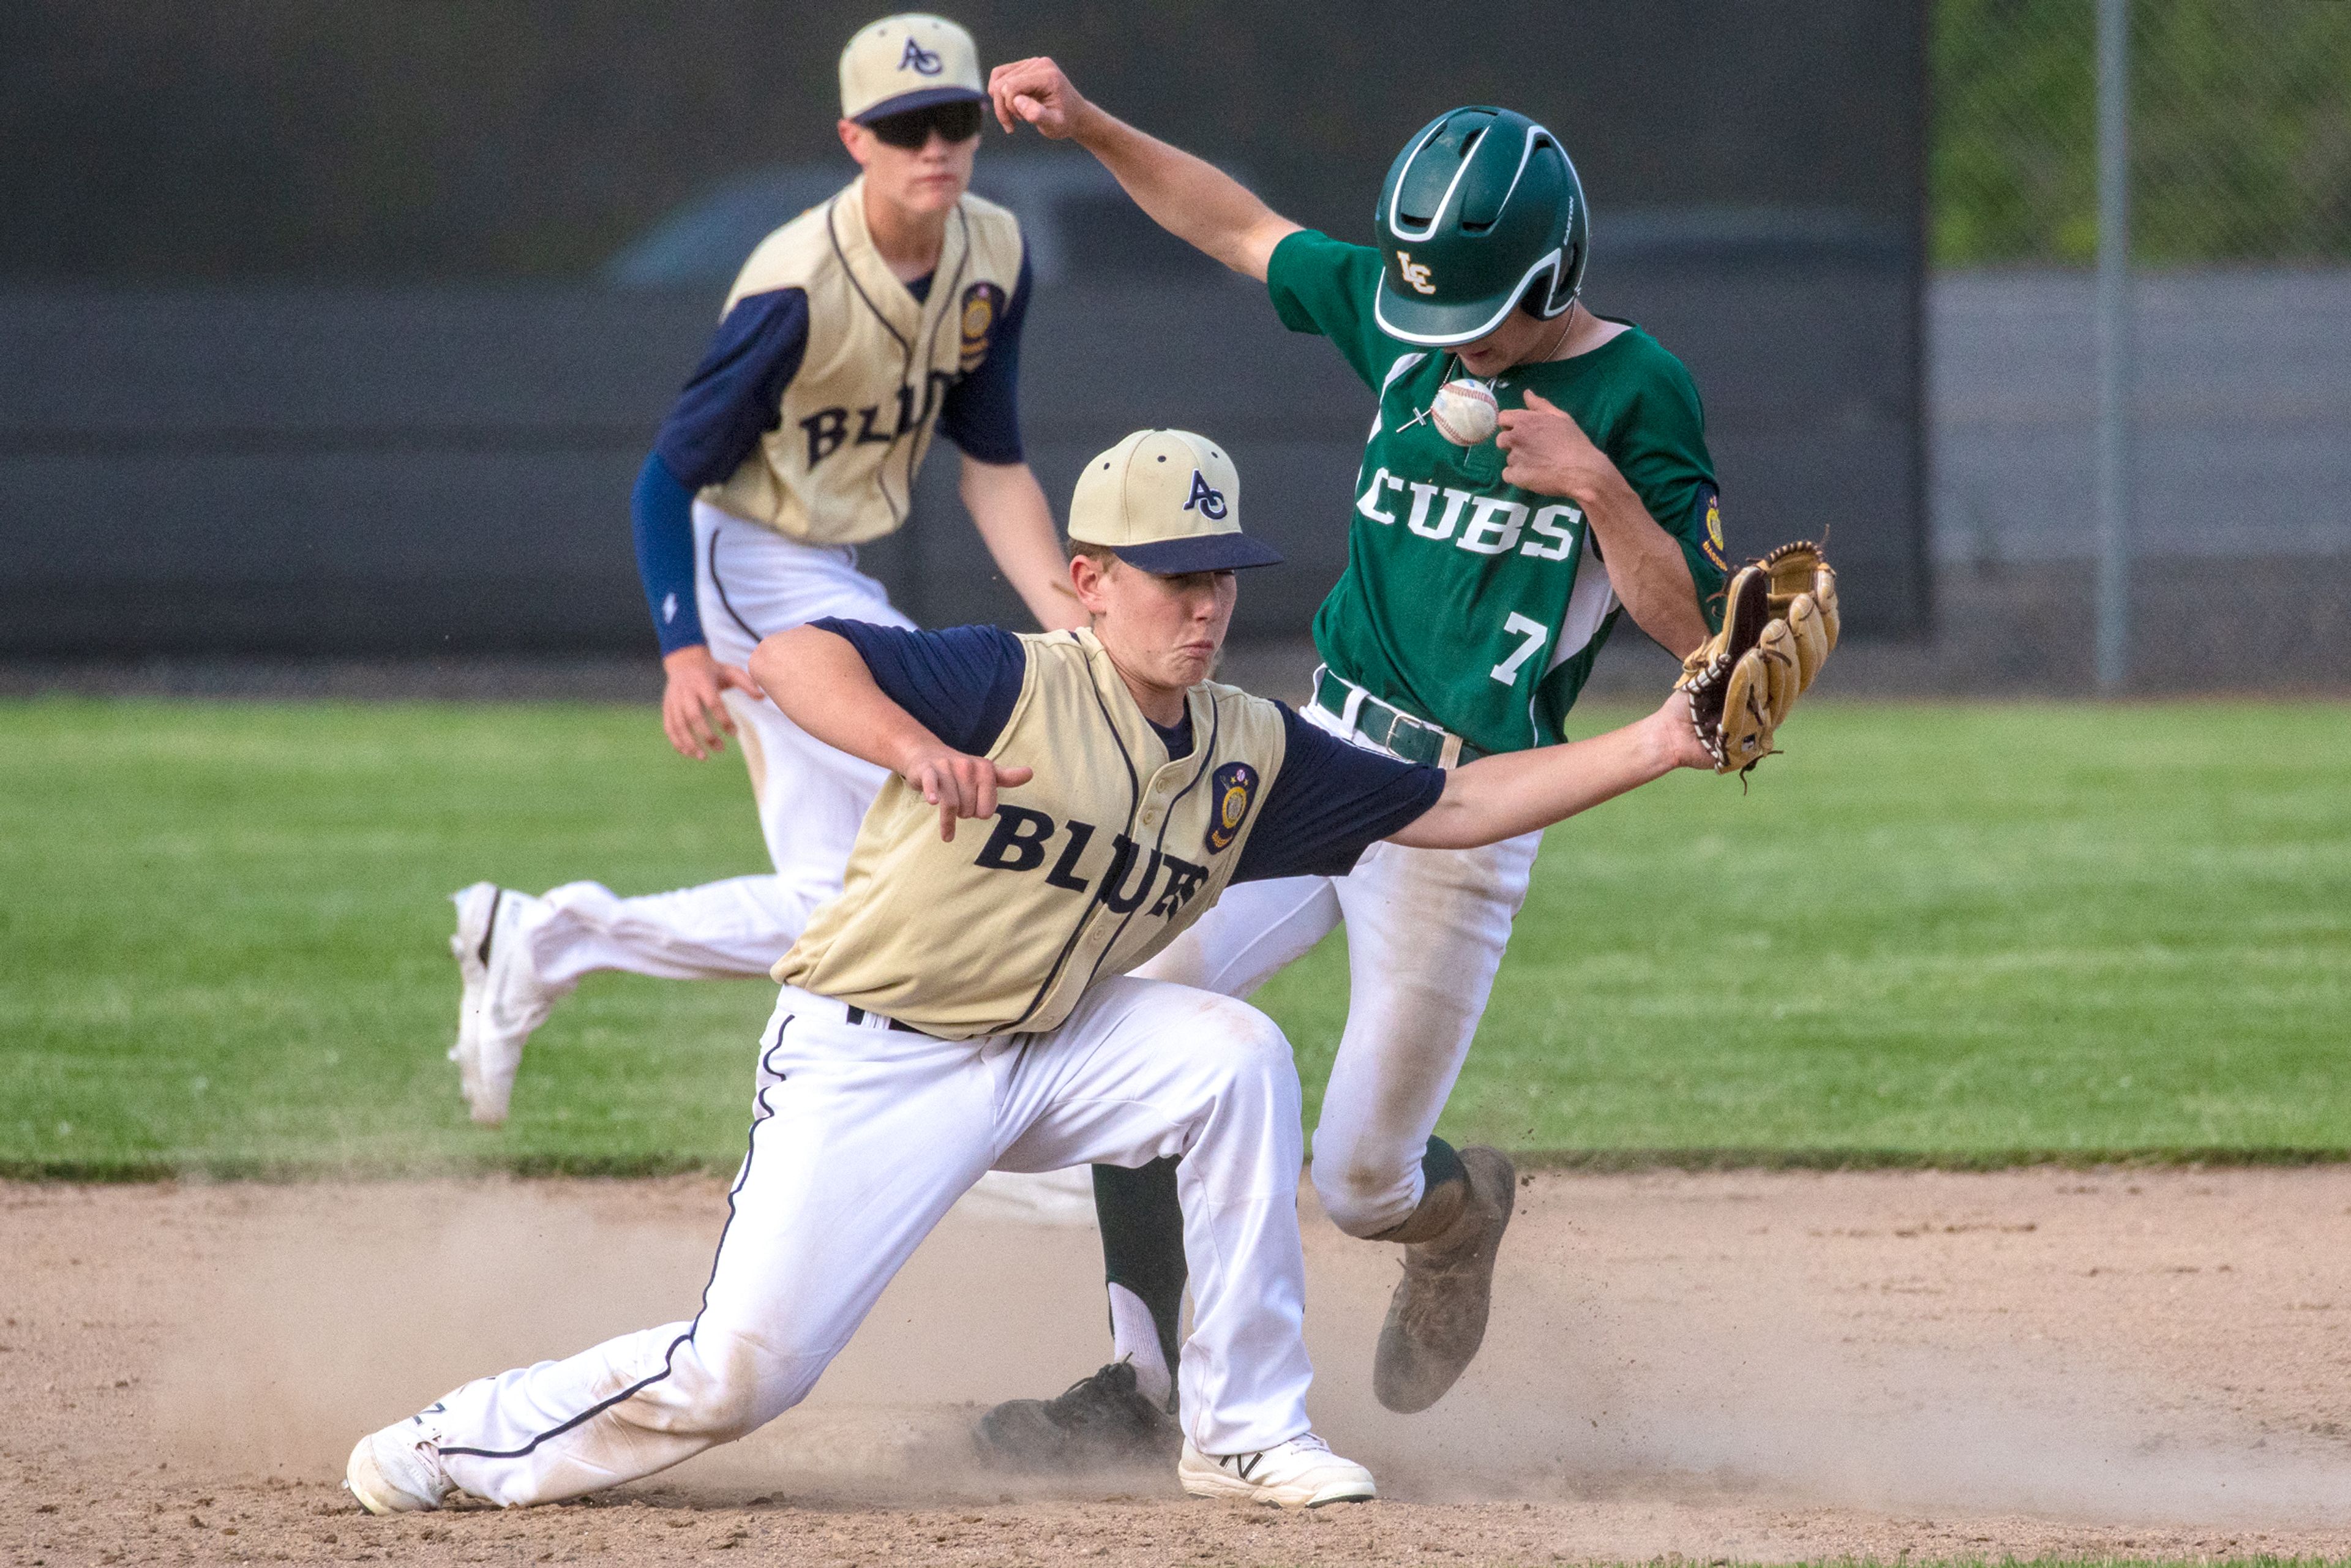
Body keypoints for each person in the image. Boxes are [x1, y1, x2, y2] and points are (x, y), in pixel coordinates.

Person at [345, 428, 1723, 1517]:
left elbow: (1456, 807)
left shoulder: (1250, 743)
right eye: (1173, 575)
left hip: (1054, 1046)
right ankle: (450, 1444)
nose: (1204, 602)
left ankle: (1241, 1431)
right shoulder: (1012, 682)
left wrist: (1664, 739)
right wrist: (905, 749)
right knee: (741, 1375)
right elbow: (795, 653)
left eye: (1221, 571)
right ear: (1089, 583)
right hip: (874, 1054)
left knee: (1232, 1056)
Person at [971, 62, 1736, 1461]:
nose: (1453, 338)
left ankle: (1465, 1217)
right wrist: (1089, 125)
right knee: (1128, 1006)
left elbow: (1699, 633)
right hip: (1306, 753)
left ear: (1556, 270)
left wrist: (1598, 483)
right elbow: (1234, 226)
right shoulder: (1403, 328)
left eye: (1481, 311)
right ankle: (1143, 1392)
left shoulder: (1637, 388)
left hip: (1465, 808)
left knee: (1361, 1180)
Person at [446, 13, 1084, 1127]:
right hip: (746, 560)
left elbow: (993, 469)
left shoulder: (995, 255)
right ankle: (988, 1115)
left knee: (836, 897)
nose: (933, 147)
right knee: (953, 796)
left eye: (951, 121)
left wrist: (1072, 619)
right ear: (855, 139)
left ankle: (546, 936)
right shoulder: (795, 284)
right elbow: (663, 481)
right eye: (903, 127)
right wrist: (685, 649)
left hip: (820, 565)